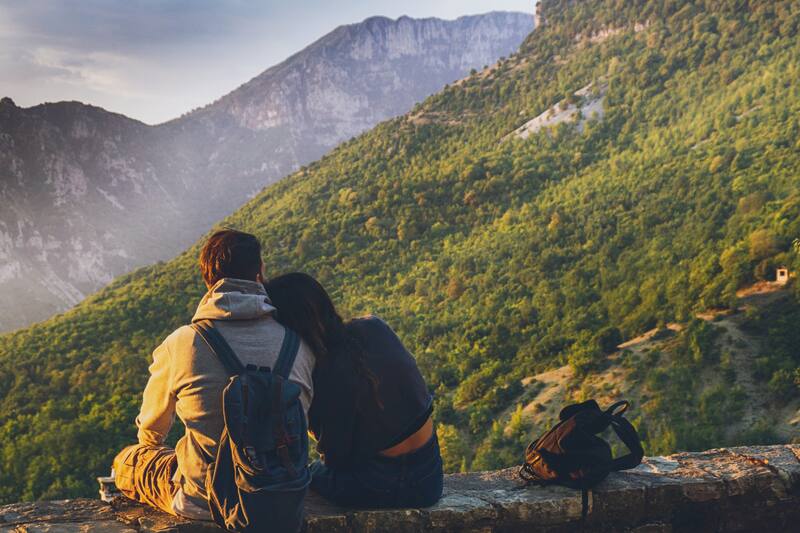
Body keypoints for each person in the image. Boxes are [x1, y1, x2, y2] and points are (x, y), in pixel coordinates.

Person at [112, 230, 315, 519]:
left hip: (204, 499)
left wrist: (156, 447)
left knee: (127, 461)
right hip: (281, 496)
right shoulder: (299, 344)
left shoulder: (183, 342)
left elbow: (151, 428)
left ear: (207, 279)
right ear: (259, 273)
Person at [264, 272, 443, 508]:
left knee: (309, 473)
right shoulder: (374, 326)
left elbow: (336, 461)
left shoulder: (324, 373)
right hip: (431, 476)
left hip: (380, 485)